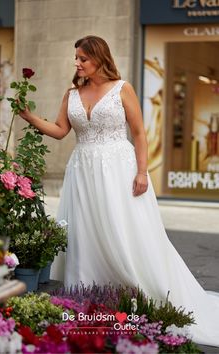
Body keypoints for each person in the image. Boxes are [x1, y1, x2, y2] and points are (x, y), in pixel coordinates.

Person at [19, 35, 219, 346]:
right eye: (76, 58)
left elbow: (139, 133)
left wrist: (143, 172)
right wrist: (30, 118)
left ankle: (136, 287)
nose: (77, 63)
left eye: (82, 58)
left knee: (124, 229)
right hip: (83, 170)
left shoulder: (122, 89)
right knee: (86, 231)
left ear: (99, 58)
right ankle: (88, 293)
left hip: (118, 169)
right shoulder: (71, 93)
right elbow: (60, 131)